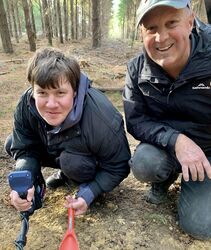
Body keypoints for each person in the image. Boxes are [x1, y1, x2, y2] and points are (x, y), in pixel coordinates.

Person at [5, 47, 130, 216]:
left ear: (75, 91)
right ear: (33, 91)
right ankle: (38, 186)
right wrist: (24, 181)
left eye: (60, 93)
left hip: (83, 158)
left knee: (73, 164)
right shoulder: (25, 105)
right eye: (42, 92)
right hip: (54, 147)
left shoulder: (102, 118)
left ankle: (70, 175)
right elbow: (24, 148)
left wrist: (90, 192)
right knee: (12, 143)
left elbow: (118, 166)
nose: (51, 104)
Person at [123, 0, 211, 240]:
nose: (161, 38)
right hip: (167, 146)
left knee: (201, 227)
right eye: (151, 28)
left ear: (190, 20)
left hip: (209, 149)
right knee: (143, 162)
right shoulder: (137, 69)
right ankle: (164, 179)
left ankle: (197, 184)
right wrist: (177, 140)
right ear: (142, 33)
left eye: (171, 23)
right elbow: (136, 119)